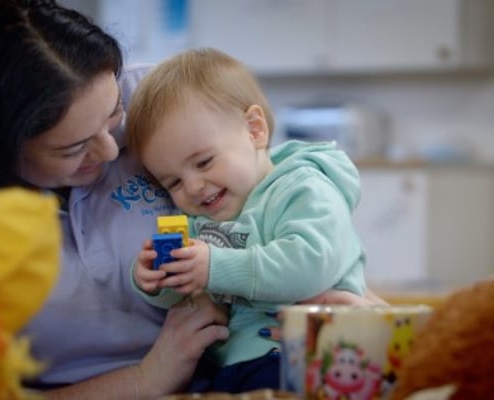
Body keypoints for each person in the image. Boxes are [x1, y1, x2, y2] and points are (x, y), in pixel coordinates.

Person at [0, 1, 230, 398]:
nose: (109, 151)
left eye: (112, 115)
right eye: (74, 148)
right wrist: (148, 376)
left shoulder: (155, 100)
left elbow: (265, 187)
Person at [126, 48, 367, 393]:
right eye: (173, 182)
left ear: (254, 130)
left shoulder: (303, 187)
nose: (193, 187)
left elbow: (311, 264)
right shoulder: (197, 216)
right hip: (225, 360)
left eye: (204, 162)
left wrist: (213, 267)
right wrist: (156, 279)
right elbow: (188, 292)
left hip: (300, 354)